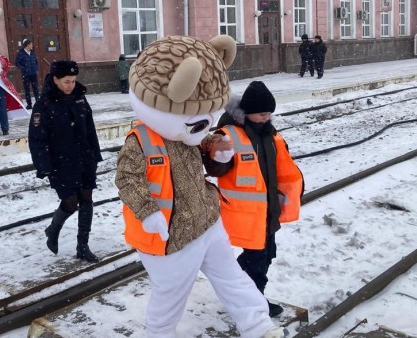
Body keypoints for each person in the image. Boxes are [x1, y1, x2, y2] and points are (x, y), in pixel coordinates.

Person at [115, 35, 284, 338]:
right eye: (198, 123)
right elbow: (127, 179)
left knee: (232, 278)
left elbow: (198, 142)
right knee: (170, 296)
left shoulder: (185, 133)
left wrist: (216, 148)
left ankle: (258, 325)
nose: (203, 128)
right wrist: (148, 211)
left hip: (206, 220)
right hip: (170, 236)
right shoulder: (140, 141)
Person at [203, 81, 304, 318]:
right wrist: (219, 156)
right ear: (247, 112)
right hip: (245, 212)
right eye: (262, 113)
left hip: (268, 209)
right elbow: (216, 170)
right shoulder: (228, 135)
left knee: (266, 254)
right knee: (257, 258)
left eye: (269, 113)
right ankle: (250, 299)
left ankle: (244, 294)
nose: (267, 117)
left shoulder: (270, 134)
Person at [29, 60, 103, 263]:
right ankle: (53, 230)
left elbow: (90, 128)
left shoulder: (79, 98)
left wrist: (95, 154)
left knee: (86, 198)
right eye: (66, 81)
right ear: (55, 80)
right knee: (70, 202)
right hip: (61, 162)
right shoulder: (44, 104)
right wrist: (43, 166)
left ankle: (83, 245)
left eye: (73, 80)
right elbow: (37, 138)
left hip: (84, 157)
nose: (70, 85)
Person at [15, 39, 39, 109]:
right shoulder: (21, 53)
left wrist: (36, 69)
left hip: (33, 74)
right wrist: (24, 69)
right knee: (27, 89)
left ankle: (38, 103)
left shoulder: (32, 53)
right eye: (31, 44)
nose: (32, 46)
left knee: (36, 89)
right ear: (27, 45)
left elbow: (36, 62)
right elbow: (17, 63)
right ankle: (29, 104)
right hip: (26, 74)